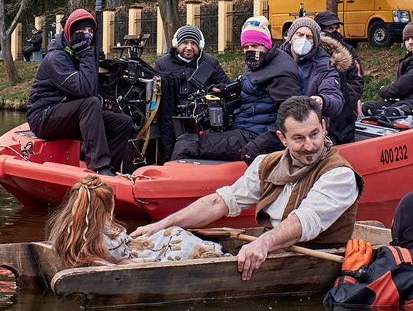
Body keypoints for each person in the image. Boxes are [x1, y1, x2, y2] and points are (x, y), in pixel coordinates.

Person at [134, 96, 363, 281]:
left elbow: (303, 221)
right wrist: (163, 224)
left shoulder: (339, 174)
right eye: (298, 139)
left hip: (314, 258)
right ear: (282, 138)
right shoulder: (266, 163)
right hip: (274, 248)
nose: (310, 146)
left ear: (323, 127)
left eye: (314, 134)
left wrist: (262, 244)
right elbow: (222, 201)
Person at [168, 16, 302, 162]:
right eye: (246, 47)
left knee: (186, 144)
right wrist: (224, 90)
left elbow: (291, 117)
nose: (250, 50)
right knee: (191, 135)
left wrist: (257, 145)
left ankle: (175, 182)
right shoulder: (259, 62)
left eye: (255, 46)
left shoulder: (281, 72)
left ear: (266, 44)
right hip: (244, 128)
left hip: (256, 136)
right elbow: (251, 87)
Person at [27, 10, 134, 177]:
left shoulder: (80, 53)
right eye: (81, 31)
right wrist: (86, 55)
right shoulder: (56, 58)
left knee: (122, 122)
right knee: (90, 103)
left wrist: (88, 56)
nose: (87, 35)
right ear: (70, 32)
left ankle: (111, 171)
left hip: (70, 115)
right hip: (43, 116)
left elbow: (90, 88)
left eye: (90, 31)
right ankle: (99, 168)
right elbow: (85, 91)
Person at [46, 175, 226, 268]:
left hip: (147, 245)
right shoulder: (104, 243)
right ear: (105, 211)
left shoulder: (70, 230)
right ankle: (220, 254)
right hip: (149, 252)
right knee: (181, 239)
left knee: (173, 234)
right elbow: (123, 259)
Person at [241, 16, 344, 158]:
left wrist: (323, 100)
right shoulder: (272, 58)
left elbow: (336, 98)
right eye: (300, 35)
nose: (303, 40)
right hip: (271, 125)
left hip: (308, 127)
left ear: (315, 42)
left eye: (309, 37)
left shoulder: (325, 66)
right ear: (291, 36)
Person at [154, 24, 230, 161]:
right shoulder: (163, 64)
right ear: (176, 44)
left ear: (200, 45)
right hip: (171, 117)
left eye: (193, 43)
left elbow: (226, 86)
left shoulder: (209, 62)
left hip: (203, 119)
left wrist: (215, 89)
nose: (189, 47)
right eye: (184, 42)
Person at [315, 10, 365, 144]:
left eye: (336, 28)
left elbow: (357, 80)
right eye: (330, 29)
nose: (335, 32)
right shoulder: (313, 53)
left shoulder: (348, 51)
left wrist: (346, 100)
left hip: (345, 117)